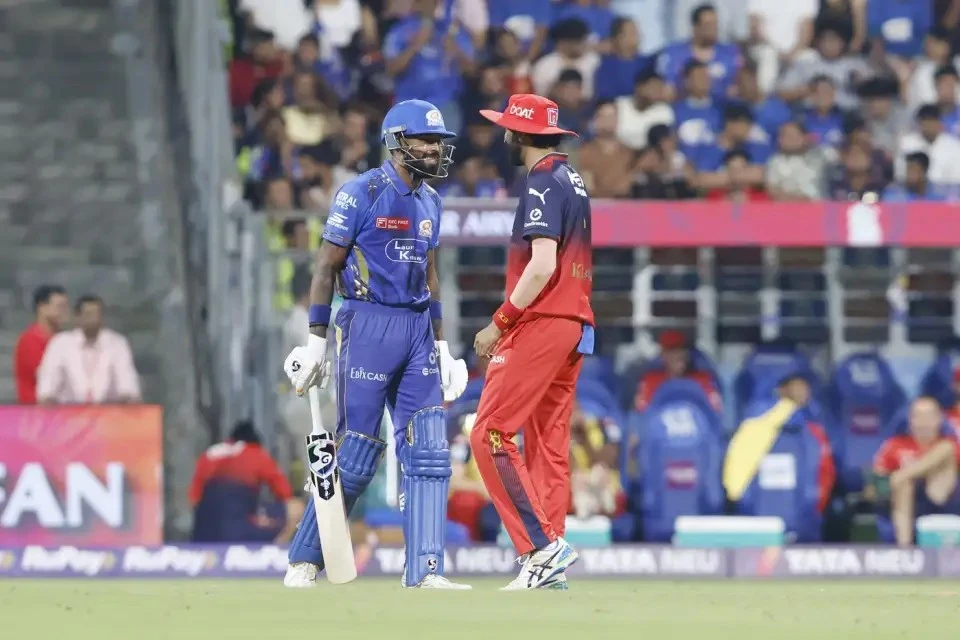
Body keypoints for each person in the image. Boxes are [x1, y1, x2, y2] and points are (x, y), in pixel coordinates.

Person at [282, 99, 470, 590]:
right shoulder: (360, 193)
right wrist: (316, 342)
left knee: (429, 451)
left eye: (439, 142)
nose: (434, 150)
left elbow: (431, 276)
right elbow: (325, 267)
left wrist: (443, 347)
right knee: (358, 453)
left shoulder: (432, 201)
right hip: (366, 324)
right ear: (396, 142)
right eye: (425, 140)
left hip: (416, 329)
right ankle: (305, 560)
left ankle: (425, 570)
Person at [470, 93, 594, 591]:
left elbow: (542, 264)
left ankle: (541, 549)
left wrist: (500, 322)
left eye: (506, 126)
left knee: (490, 433)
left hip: (542, 321)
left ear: (518, 134)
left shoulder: (541, 179)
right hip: (574, 324)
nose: (502, 134)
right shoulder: (571, 178)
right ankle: (549, 562)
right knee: (548, 445)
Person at [189, 420, 301, 544]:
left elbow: (194, 497)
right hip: (238, 530)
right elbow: (284, 491)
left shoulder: (210, 453)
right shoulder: (255, 452)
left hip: (204, 530)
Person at [873, 396, 960, 546]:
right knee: (904, 485)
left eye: (929, 416)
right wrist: (893, 482)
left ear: (939, 419)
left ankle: (903, 476)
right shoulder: (894, 445)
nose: (923, 421)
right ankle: (905, 548)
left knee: (947, 450)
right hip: (904, 504)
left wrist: (903, 475)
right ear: (910, 419)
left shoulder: (949, 445)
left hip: (941, 496)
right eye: (918, 416)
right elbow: (877, 482)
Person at [36, 295, 141, 404]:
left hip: (108, 411)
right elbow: (48, 383)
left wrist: (129, 396)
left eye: (97, 315)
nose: (93, 320)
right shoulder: (60, 343)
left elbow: (127, 381)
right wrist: (47, 397)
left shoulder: (117, 343)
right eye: (88, 315)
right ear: (78, 317)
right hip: (68, 411)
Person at [14, 284, 68, 404]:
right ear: (42, 307)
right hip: (33, 408)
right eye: (60, 306)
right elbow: (46, 374)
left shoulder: (63, 340)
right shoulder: (29, 340)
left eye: (65, 307)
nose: (64, 312)